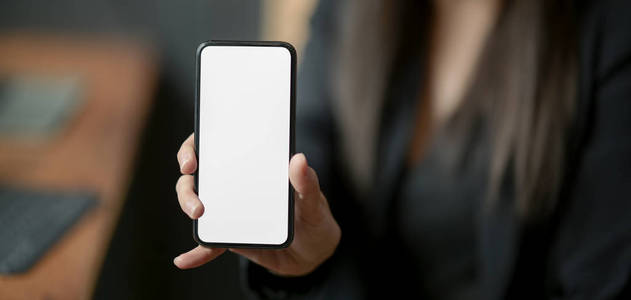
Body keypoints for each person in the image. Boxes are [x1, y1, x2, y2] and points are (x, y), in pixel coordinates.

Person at [174, 0, 631, 298]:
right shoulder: (349, 11)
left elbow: (600, 279)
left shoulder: (607, 31)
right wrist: (298, 231)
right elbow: (311, 148)